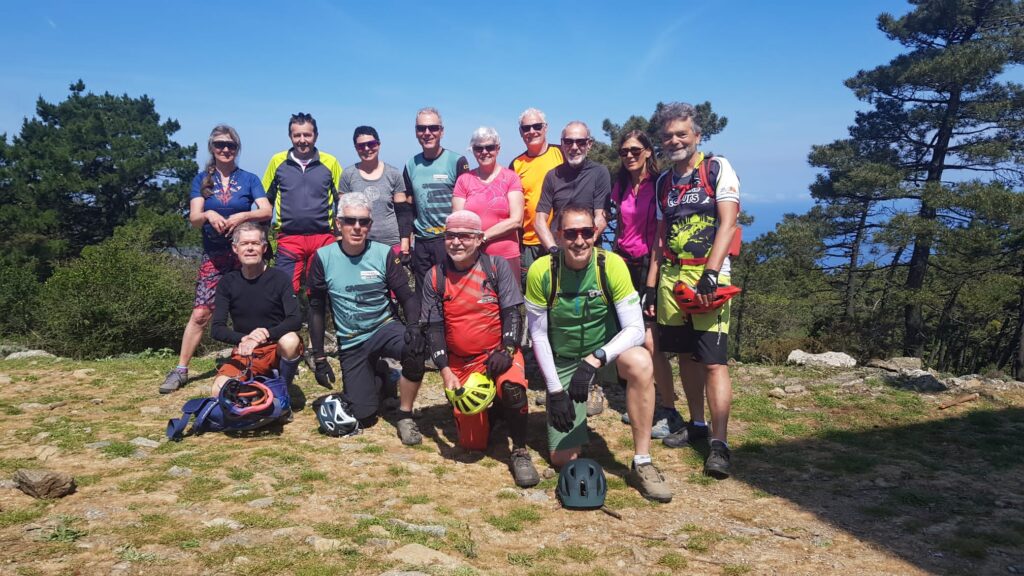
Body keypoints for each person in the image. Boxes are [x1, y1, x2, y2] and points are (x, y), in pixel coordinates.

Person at [525, 204, 672, 503]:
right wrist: (554, 391)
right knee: (563, 458)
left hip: (604, 353)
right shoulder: (542, 271)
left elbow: (634, 329)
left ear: (595, 232)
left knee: (641, 361)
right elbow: (538, 335)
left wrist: (595, 360)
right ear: (559, 235)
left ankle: (642, 461)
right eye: (571, 233)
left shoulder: (610, 265)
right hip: (564, 358)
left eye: (586, 232)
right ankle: (573, 424)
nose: (579, 241)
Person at [644, 102, 740, 479]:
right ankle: (697, 423)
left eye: (682, 133)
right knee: (685, 356)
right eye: (667, 135)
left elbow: (728, 222)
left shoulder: (716, 169)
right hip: (671, 278)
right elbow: (659, 237)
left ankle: (720, 442)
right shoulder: (663, 183)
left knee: (714, 361)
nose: (674, 140)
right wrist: (651, 288)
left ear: (697, 136)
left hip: (707, 277)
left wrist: (712, 274)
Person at [420, 210, 539, 487]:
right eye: (451, 236)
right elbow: (434, 328)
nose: (457, 242)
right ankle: (492, 411)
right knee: (472, 445)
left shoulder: (495, 268)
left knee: (511, 388)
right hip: (461, 363)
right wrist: (445, 371)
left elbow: (514, 313)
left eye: (465, 236)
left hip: (496, 353)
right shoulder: (435, 276)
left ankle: (520, 450)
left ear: (478, 239)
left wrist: (507, 349)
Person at [306, 192, 427, 445]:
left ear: (370, 225)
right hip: (351, 341)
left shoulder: (382, 253)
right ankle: (382, 374)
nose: (357, 227)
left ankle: (405, 414)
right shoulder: (322, 258)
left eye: (364, 221)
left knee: (415, 350)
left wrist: (414, 327)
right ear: (338, 223)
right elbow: (316, 309)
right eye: (350, 221)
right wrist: (319, 357)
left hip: (384, 328)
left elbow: (407, 295)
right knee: (364, 414)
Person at [160, 125, 272, 394]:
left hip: (245, 253)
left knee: (257, 308)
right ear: (212, 148)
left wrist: (242, 216)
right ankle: (181, 369)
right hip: (214, 254)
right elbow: (194, 218)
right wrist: (209, 215)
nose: (225, 149)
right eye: (220, 144)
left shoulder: (249, 179)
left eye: (231, 145)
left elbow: (266, 210)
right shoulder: (201, 180)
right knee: (201, 313)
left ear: (237, 149)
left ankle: (264, 361)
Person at [611, 130, 680, 438]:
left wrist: (653, 279)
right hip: (622, 264)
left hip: (650, 267)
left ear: (649, 152)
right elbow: (618, 225)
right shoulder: (620, 185)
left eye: (635, 149)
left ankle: (670, 409)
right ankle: (642, 400)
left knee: (651, 340)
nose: (629, 155)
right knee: (628, 337)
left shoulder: (660, 185)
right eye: (624, 151)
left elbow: (661, 235)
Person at [209, 222, 302, 396]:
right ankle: (257, 394)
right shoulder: (227, 282)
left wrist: (265, 334)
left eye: (255, 243)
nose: (250, 248)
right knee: (218, 391)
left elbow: (295, 319)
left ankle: (283, 392)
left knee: (290, 340)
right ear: (235, 248)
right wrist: (245, 339)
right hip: (246, 350)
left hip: (276, 347)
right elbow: (216, 329)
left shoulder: (279, 278)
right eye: (245, 244)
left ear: (264, 247)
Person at [262, 112, 342, 293]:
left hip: (323, 237)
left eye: (307, 134)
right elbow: (266, 201)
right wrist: (262, 237)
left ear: (316, 136)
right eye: (297, 135)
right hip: (289, 238)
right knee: (285, 291)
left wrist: (340, 236)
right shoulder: (277, 161)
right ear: (290, 136)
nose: (302, 140)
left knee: (319, 293)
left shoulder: (330, 162)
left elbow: (342, 201)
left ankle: (318, 322)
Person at [402, 107, 471, 293]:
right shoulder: (410, 165)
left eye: (433, 128)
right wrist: (406, 245)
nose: (427, 133)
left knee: (453, 293)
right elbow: (409, 209)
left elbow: (467, 205)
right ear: (416, 132)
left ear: (442, 131)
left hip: (449, 240)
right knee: (425, 296)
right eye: (421, 128)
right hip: (422, 243)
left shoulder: (457, 161)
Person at [452, 127, 525, 273]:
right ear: (473, 151)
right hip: (472, 256)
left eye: (489, 147)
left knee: (510, 296)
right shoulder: (464, 180)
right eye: (479, 148)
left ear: (497, 149)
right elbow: (457, 221)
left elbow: (517, 220)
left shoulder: (511, 177)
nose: (484, 152)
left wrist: (483, 237)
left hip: (506, 256)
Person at [533, 121, 610, 252]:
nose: (574, 147)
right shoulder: (552, 176)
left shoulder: (600, 173)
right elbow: (539, 220)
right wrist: (553, 250)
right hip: (558, 250)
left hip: (588, 249)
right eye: (568, 142)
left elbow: (601, 217)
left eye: (580, 142)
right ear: (562, 144)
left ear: (589, 144)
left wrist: (582, 244)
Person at [510, 108, 563, 285]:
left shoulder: (561, 153)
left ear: (545, 127)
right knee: (533, 300)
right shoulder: (516, 165)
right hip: (530, 244)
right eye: (526, 128)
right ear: (520, 132)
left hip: (561, 240)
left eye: (537, 126)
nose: (532, 131)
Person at [339, 126, 407, 253]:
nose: (366, 149)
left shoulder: (393, 174)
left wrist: (405, 243)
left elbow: (403, 213)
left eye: (371, 144)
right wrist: (340, 239)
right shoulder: (348, 175)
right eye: (361, 146)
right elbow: (340, 211)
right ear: (355, 148)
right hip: (359, 243)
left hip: (391, 243)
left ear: (378, 145)